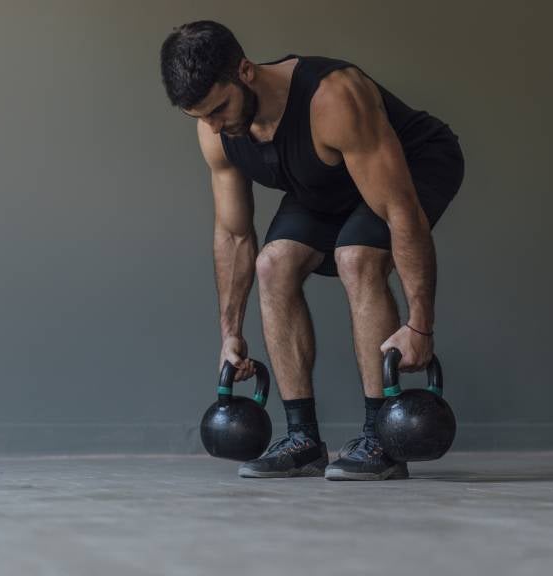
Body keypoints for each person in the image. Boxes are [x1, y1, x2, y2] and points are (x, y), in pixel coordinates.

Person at [160, 21, 464, 480]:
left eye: (219, 109)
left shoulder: (332, 98)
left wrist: (420, 325)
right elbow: (235, 235)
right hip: (328, 178)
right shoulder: (214, 128)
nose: (213, 125)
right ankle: (303, 440)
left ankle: (379, 438)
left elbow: (401, 212)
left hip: (413, 163)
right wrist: (230, 334)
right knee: (272, 264)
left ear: (245, 71)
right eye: (200, 117)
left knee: (356, 257)